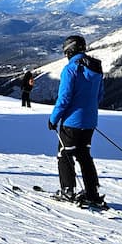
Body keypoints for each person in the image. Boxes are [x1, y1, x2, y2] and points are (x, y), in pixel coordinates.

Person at [48, 34, 106, 208]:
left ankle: (68, 190)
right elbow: (99, 95)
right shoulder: (96, 68)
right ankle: (92, 193)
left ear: (70, 50)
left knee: (64, 155)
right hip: (90, 122)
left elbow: (64, 98)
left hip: (71, 123)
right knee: (84, 156)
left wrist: (53, 119)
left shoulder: (70, 69)